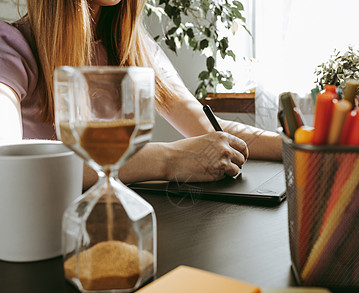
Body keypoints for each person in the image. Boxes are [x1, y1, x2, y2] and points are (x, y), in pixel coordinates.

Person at [0, 0, 282, 189]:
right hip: (40, 233)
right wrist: (167, 158)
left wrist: (297, 144)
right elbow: (7, 158)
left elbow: (210, 128)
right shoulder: (11, 48)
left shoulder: (132, 48)